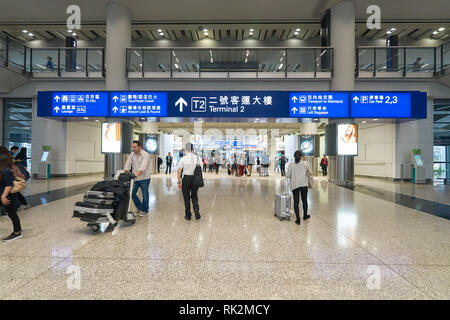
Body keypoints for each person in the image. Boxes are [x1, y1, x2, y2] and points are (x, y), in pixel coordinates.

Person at [124, 140, 151, 217]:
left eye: (135, 147)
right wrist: (125, 172)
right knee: (131, 193)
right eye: (132, 147)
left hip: (144, 178)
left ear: (140, 147)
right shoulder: (132, 154)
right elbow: (127, 164)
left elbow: (142, 168)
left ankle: (145, 210)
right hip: (135, 178)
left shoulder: (145, 155)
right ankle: (139, 207)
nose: (133, 148)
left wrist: (134, 175)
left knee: (145, 194)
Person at [0, 154, 22, 241]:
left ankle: (17, 232)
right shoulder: (2, 170)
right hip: (2, 195)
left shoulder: (6, 171)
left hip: (8, 196)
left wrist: (3, 196)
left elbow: (9, 185)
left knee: (12, 213)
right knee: (11, 213)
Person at [177, 143, 201, 221]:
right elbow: (201, 168)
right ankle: (196, 209)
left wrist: (179, 182)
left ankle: (188, 215)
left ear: (186, 149)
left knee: (186, 197)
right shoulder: (197, 158)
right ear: (192, 149)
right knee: (194, 195)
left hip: (186, 179)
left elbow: (179, 171)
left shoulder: (183, 159)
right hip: (195, 179)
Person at [286, 150, 311, 225]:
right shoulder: (305, 164)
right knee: (304, 201)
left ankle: (298, 219)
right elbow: (309, 172)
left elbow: (287, 175)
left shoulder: (291, 165)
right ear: (301, 156)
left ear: (294, 157)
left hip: (295, 185)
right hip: (303, 185)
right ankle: (305, 216)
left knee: (296, 202)